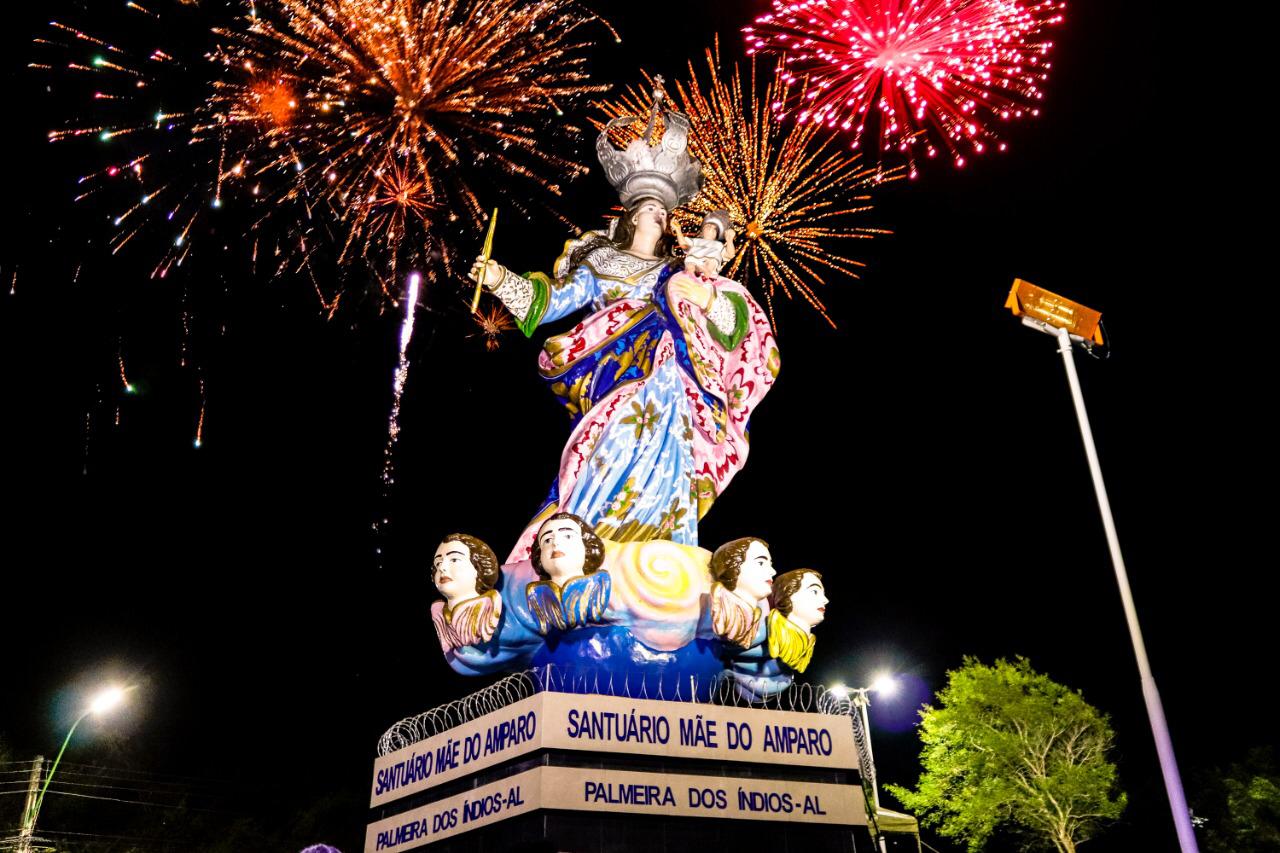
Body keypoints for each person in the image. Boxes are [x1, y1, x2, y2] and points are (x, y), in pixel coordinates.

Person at [469, 107, 779, 562]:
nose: (660, 213)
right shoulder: (602, 264)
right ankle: (589, 534)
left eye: (664, 209)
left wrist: (708, 294)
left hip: (672, 373)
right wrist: (499, 280)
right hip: (612, 369)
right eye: (651, 207)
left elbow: (729, 319)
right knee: (605, 444)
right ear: (631, 217)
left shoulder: (677, 272)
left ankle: (659, 541)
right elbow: (551, 302)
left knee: (668, 447)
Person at [525, 512, 611, 634]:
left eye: (568, 536)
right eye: (547, 540)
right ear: (539, 555)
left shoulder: (601, 587)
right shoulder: (535, 597)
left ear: (586, 546)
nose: (556, 543)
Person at [429, 534, 502, 654]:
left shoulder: (489, 604)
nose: (442, 567)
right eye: (438, 563)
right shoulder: (438, 611)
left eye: (454, 560)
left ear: (478, 566)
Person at [707, 536, 775, 647]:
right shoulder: (722, 603)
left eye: (770, 565)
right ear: (733, 565)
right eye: (761, 563)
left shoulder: (757, 612)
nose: (773, 571)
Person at [766, 569, 828, 673]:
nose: (825, 600)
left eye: (823, 593)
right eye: (815, 592)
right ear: (789, 593)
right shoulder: (765, 632)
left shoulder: (808, 641)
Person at [674, 209, 737, 279]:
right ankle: (691, 274)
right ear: (701, 232)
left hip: (710, 261)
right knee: (690, 264)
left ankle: (707, 272)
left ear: (717, 235)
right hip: (694, 258)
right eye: (708, 226)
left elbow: (730, 254)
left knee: (712, 262)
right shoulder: (695, 241)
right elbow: (684, 245)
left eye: (715, 229)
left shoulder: (718, 245)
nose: (711, 228)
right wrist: (678, 230)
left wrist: (729, 240)